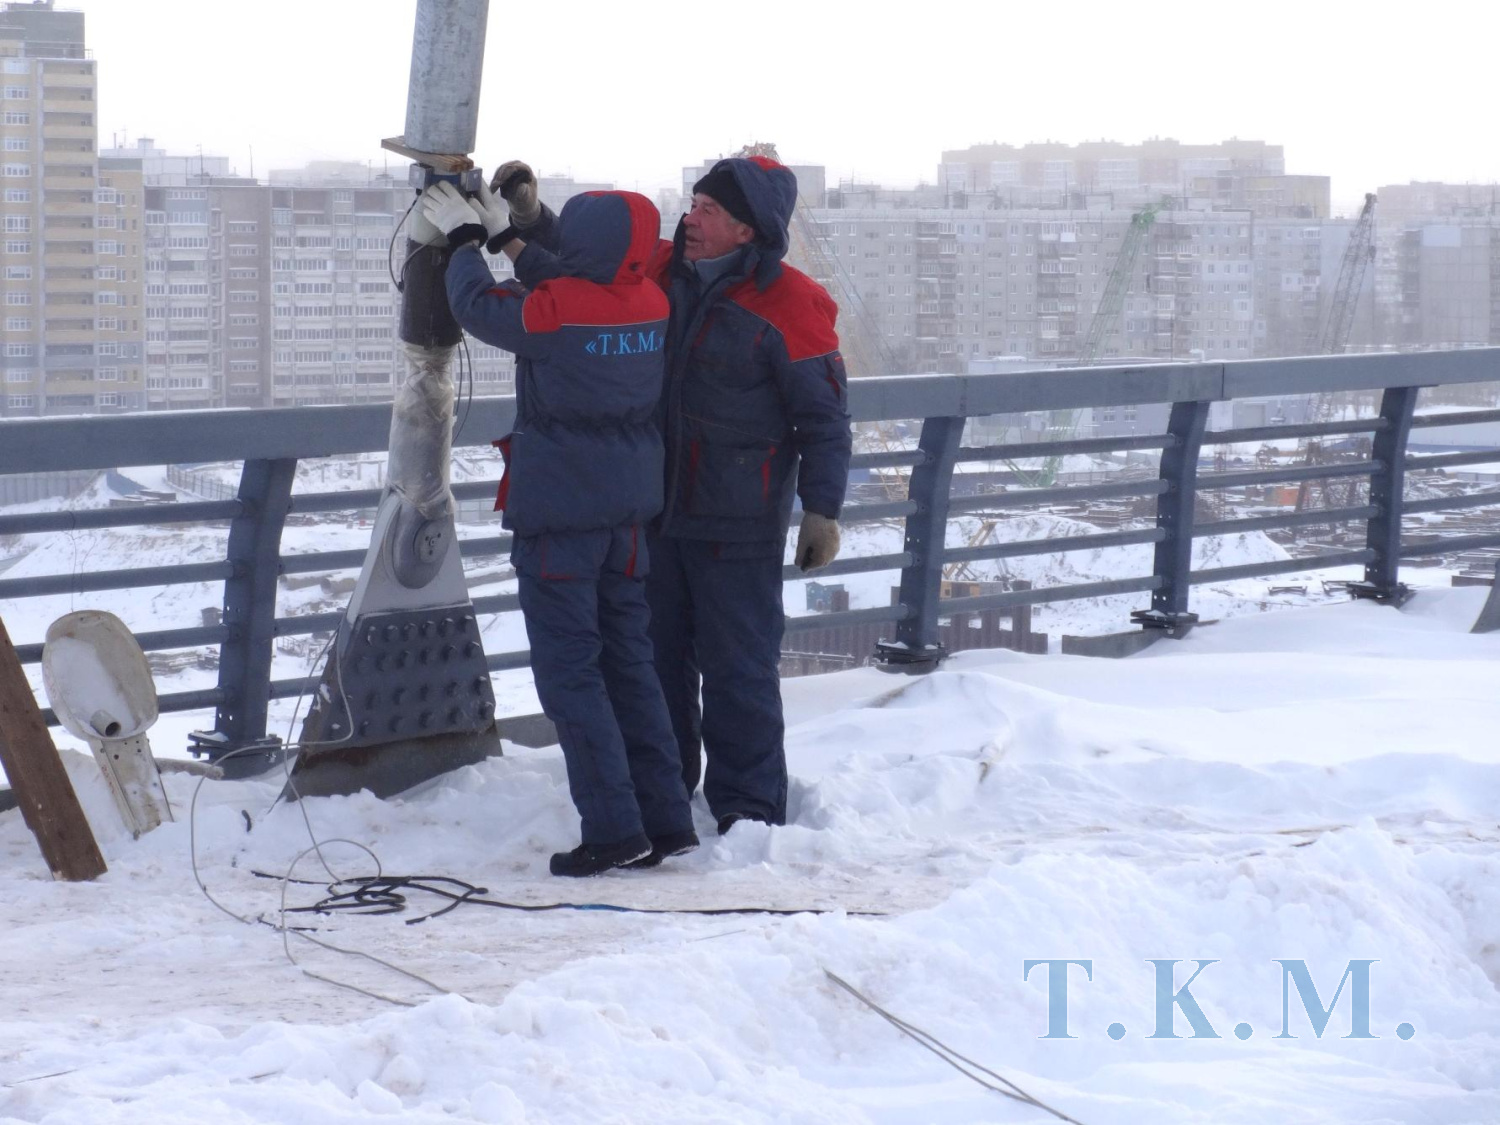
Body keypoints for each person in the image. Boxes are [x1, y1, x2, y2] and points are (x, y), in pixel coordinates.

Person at [489, 156, 853, 835]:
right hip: (652, 515)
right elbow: (589, 259)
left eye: (710, 211)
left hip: (739, 525)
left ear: (748, 231)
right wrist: (533, 218)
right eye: (693, 203)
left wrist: (823, 510)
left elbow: (825, 418)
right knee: (654, 666)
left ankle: (748, 813)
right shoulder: (656, 271)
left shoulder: (793, 303)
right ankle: (665, 797)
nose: (692, 218)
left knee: (738, 672)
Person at [418, 179, 696, 876]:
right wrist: (507, 238)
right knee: (630, 665)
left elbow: (480, 307)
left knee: (572, 674)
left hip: (563, 513)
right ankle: (665, 820)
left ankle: (612, 827)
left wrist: (463, 243)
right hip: (628, 513)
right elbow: (570, 291)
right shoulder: (650, 301)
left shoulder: (558, 311)